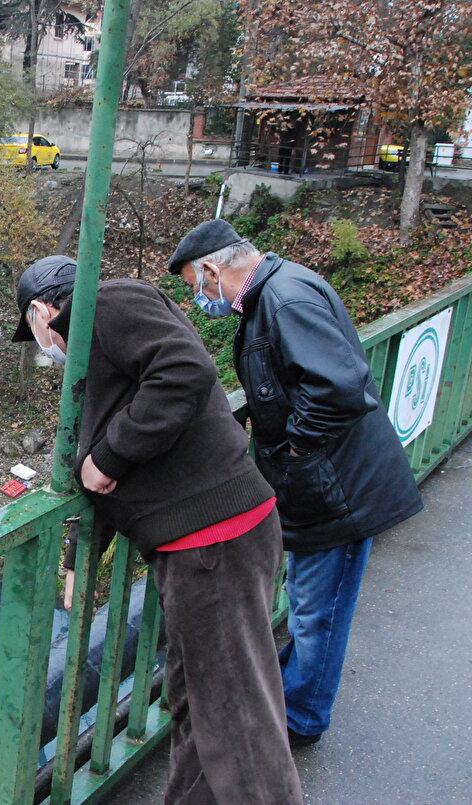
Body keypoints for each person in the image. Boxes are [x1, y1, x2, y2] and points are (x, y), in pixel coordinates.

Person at [13, 255, 303, 805]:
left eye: (34, 334)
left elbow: (186, 373)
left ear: (39, 312)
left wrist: (113, 456)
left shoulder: (101, 304)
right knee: (200, 701)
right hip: (207, 542)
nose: (42, 347)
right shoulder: (99, 350)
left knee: (237, 720)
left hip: (212, 541)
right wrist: (80, 556)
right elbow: (91, 469)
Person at [167, 220, 423, 746]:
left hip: (338, 489)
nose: (200, 296)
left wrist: (295, 449)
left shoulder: (283, 301)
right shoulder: (279, 290)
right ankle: (292, 695)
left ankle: (299, 718)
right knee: (310, 601)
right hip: (328, 483)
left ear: (213, 269)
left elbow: (340, 387)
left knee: (317, 611)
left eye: (198, 283)